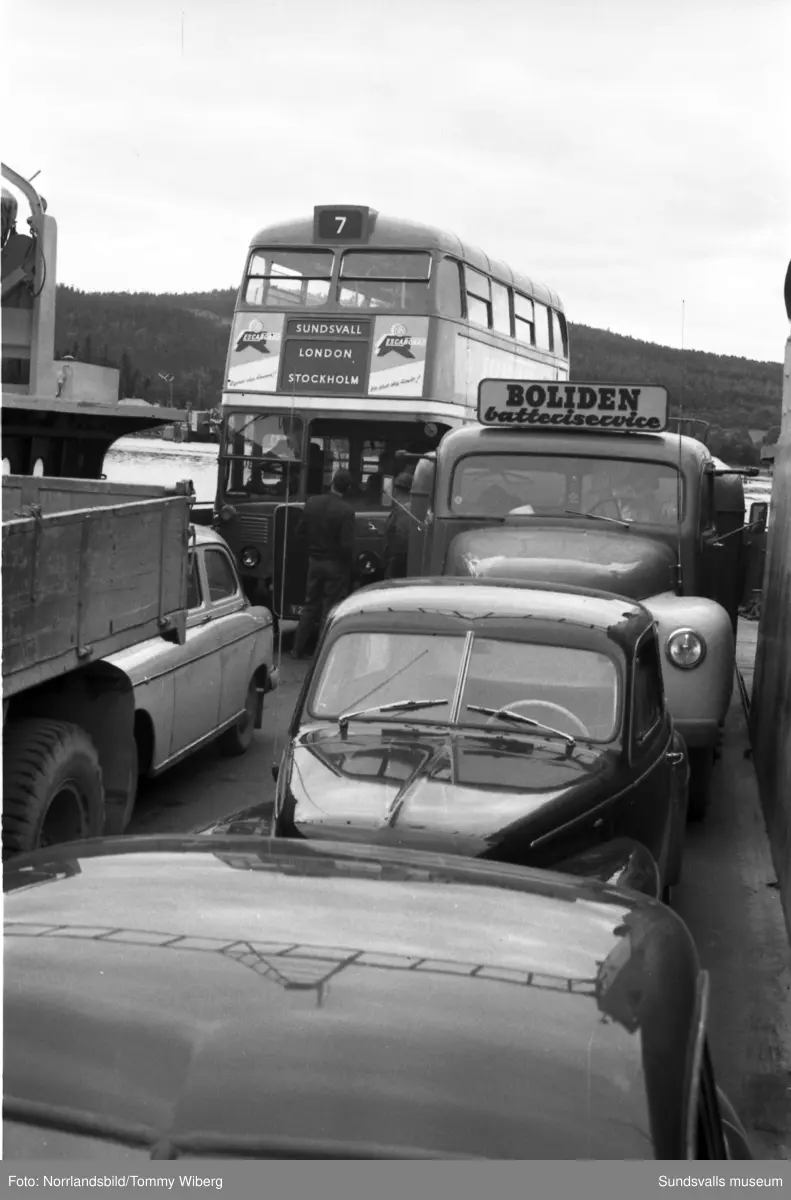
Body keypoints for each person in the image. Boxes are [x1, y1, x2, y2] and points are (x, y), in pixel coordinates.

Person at [289, 469, 355, 660]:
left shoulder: (312, 503)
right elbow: (347, 546)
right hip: (336, 566)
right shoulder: (346, 511)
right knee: (330, 608)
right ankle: (321, 654)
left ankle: (296, 649)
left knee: (310, 606)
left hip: (314, 562)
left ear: (331, 483)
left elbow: (299, 533)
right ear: (348, 488)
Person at [383, 472, 413, 579]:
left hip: (399, 562)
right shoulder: (421, 509)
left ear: (396, 491)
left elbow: (395, 537)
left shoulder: (401, 511)